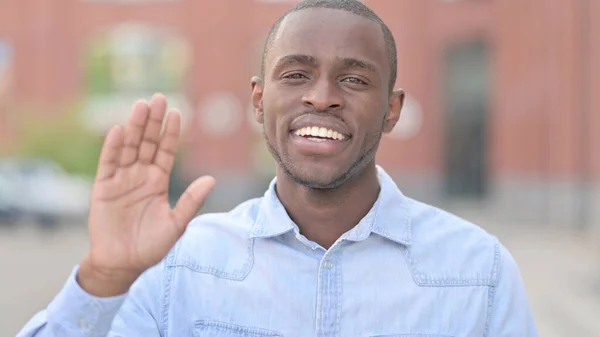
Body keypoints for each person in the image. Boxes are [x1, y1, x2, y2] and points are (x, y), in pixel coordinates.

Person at [18, 0, 538, 336]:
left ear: (393, 109)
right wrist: (106, 277)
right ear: (259, 100)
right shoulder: (179, 268)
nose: (322, 96)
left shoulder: (478, 273)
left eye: (354, 80)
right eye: (296, 74)